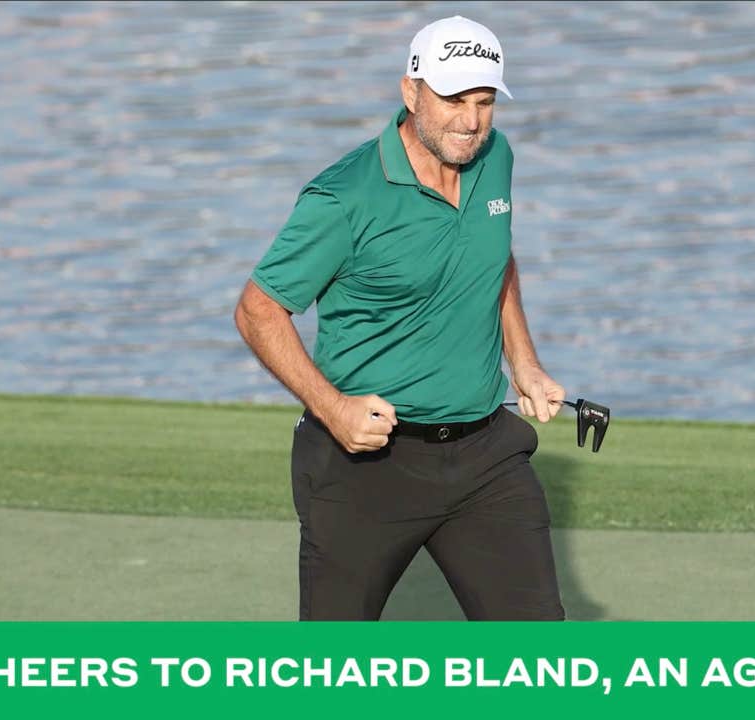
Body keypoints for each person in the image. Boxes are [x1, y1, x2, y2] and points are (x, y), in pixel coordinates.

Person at [234, 16, 566, 621]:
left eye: (484, 101)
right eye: (453, 99)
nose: (471, 121)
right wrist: (335, 410)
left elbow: (495, 255)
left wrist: (524, 360)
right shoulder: (343, 197)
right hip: (368, 462)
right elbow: (259, 310)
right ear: (410, 91)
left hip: (485, 456)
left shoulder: (495, 157)